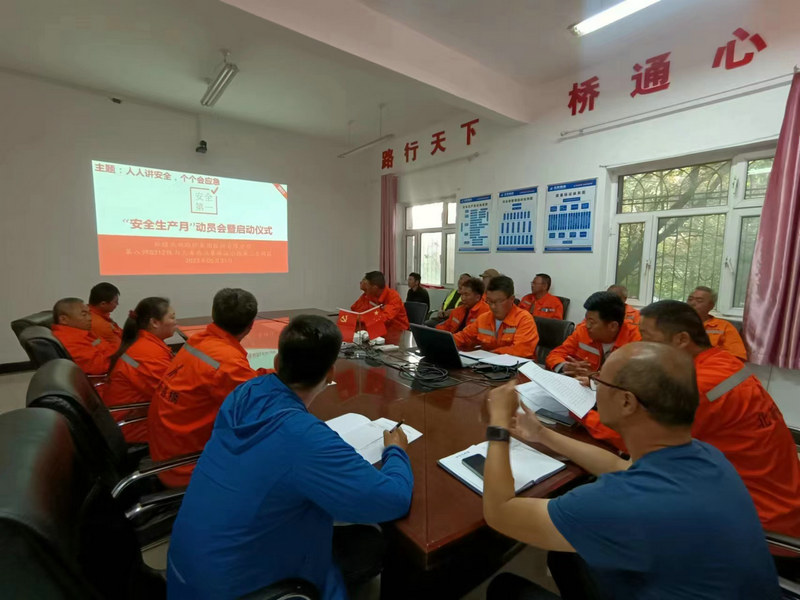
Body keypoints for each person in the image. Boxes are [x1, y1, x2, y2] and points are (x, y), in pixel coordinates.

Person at [483, 343, 780, 600]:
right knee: (567, 554)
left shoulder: (619, 503)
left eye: (599, 381)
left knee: (505, 588)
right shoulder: (706, 454)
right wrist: (542, 434)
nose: (593, 386)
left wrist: (498, 425)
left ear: (627, 401)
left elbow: (500, 512)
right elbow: (618, 466)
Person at [167, 315, 413, 600]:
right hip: (238, 590)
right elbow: (392, 499)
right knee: (371, 541)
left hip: (185, 573)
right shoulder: (303, 437)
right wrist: (395, 451)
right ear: (331, 374)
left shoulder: (243, 394)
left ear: (276, 362)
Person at [637, 300, 800, 540]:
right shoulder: (723, 362)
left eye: (647, 338)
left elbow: (637, 438)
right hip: (782, 497)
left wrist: (586, 413)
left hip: (759, 519)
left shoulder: (699, 386)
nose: (641, 346)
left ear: (681, 339)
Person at [148, 288, 269, 487]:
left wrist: (273, 373)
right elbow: (261, 411)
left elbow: (240, 382)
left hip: (166, 449)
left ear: (214, 314)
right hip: (188, 466)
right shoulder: (228, 361)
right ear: (251, 326)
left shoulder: (199, 341)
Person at [104, 297, 177, 443]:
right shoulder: (147, 353)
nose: (175, 322)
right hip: (134, 426)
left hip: (135, 416)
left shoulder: (147, 345)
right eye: (172, 317)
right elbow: (172, 395)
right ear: (154, 322)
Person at [546, 291, 641, 376]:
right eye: (586, 319)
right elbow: (554, 355)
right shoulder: (583, 331)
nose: (587, 325)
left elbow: (635, 378)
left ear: (613, 326)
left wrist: (594, 378)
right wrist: (565, 367)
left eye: (592, 322)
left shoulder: (636, 340)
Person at [453, 276, 538, 358]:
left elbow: (521, 350)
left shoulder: (524, 319)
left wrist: (490, 354)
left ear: (511, 299)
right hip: (486, 364)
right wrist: (448, 342)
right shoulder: (484, 318)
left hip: (515, 366)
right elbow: (464, 337)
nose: (493, 306)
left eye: (498, 301)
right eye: (489, 301)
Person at [51, 297, 116, 376]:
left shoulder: (83, 332)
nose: (90, 318)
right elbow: (99, 367)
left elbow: (108, 347)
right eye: (84, 315)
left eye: (89, 313)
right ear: (63, 319)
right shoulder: (69, 340)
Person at [687, 286, 747, 360]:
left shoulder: (724, 326)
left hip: (710, 364)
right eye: (690, 299)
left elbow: (737, 356)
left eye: (699, 300)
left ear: (711, 306)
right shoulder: (676, 323)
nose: (692, 303)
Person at [88, 282, 123, 349]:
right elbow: (119, 347)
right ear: (103, 304)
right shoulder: (101, 325)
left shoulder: (89, 312)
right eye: (115, 302)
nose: (117, 304)